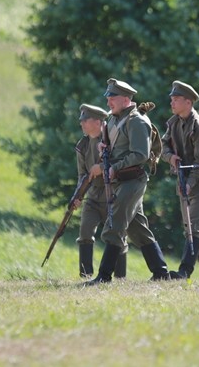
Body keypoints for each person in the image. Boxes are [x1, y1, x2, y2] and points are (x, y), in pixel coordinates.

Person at [86, 78, 171, 284]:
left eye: (112, 98)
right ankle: (161, 272)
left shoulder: (137, 121)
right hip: (121, 181)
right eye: (108, 98)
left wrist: (114, 167)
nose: (108, 102)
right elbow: (114, 146)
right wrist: (103, 148)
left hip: (133, 180)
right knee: (137, 229)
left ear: (125, 99)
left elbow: (141, 154)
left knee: (114, 225)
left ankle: (104, 277)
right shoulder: (114, 119)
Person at [161, 81, 199, 280]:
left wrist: (188, 183)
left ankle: (184, 271)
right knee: (192, 226)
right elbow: (162, 147)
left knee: (194, 224)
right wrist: (171, 158)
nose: (172, 103)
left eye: (176, 100)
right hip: (184, 179)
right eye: (172, 99)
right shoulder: (174, 123)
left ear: (188, 102)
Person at [72, 103, 127, 279]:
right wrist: (77, 196)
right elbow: (82, 175)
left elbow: (122, 163)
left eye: (85, 121)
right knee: (85, 234)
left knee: (118, 238)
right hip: (93, 197)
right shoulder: (83, 145)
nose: (81, 124)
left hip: (114, 195)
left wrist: (102, 168)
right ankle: (86, 275)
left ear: (97, 122)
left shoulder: (113, 139)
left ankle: (120, 278)